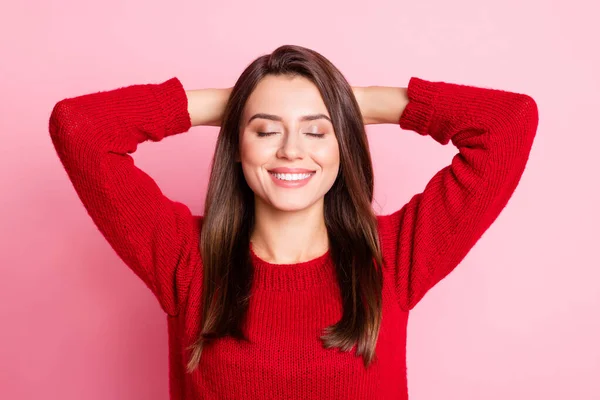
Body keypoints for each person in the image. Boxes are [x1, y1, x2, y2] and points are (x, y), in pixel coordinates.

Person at [48, 44, 539, 399]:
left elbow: (509, 122)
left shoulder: (394, 255)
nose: (291, 149)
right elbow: (79, 128)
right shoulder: (185, 258)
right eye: (265, 130)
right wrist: (233, 102)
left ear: (343, 147)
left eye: (316, 130)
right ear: (236, 147)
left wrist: (356, 102)